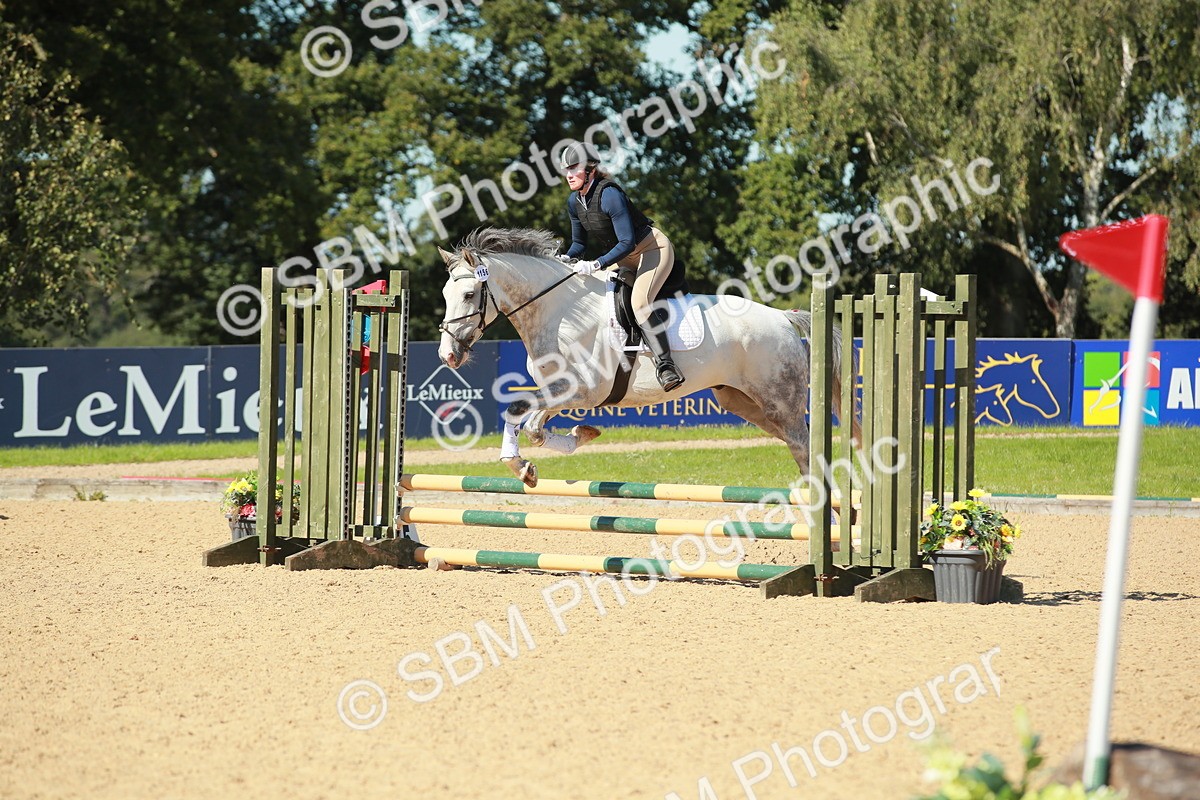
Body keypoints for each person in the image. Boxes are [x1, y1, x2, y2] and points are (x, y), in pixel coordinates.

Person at [558, 142, 685, 392]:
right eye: (566, 170)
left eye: (574, 168)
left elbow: (627, 242)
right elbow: (578, 245)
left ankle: (666, 366)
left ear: (591, 170)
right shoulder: (575, 202)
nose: (569, 174)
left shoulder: (609, 195)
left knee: (640, 303)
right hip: (624, 256)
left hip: (652, 250)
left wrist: (597, 263)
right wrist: (563, 259)